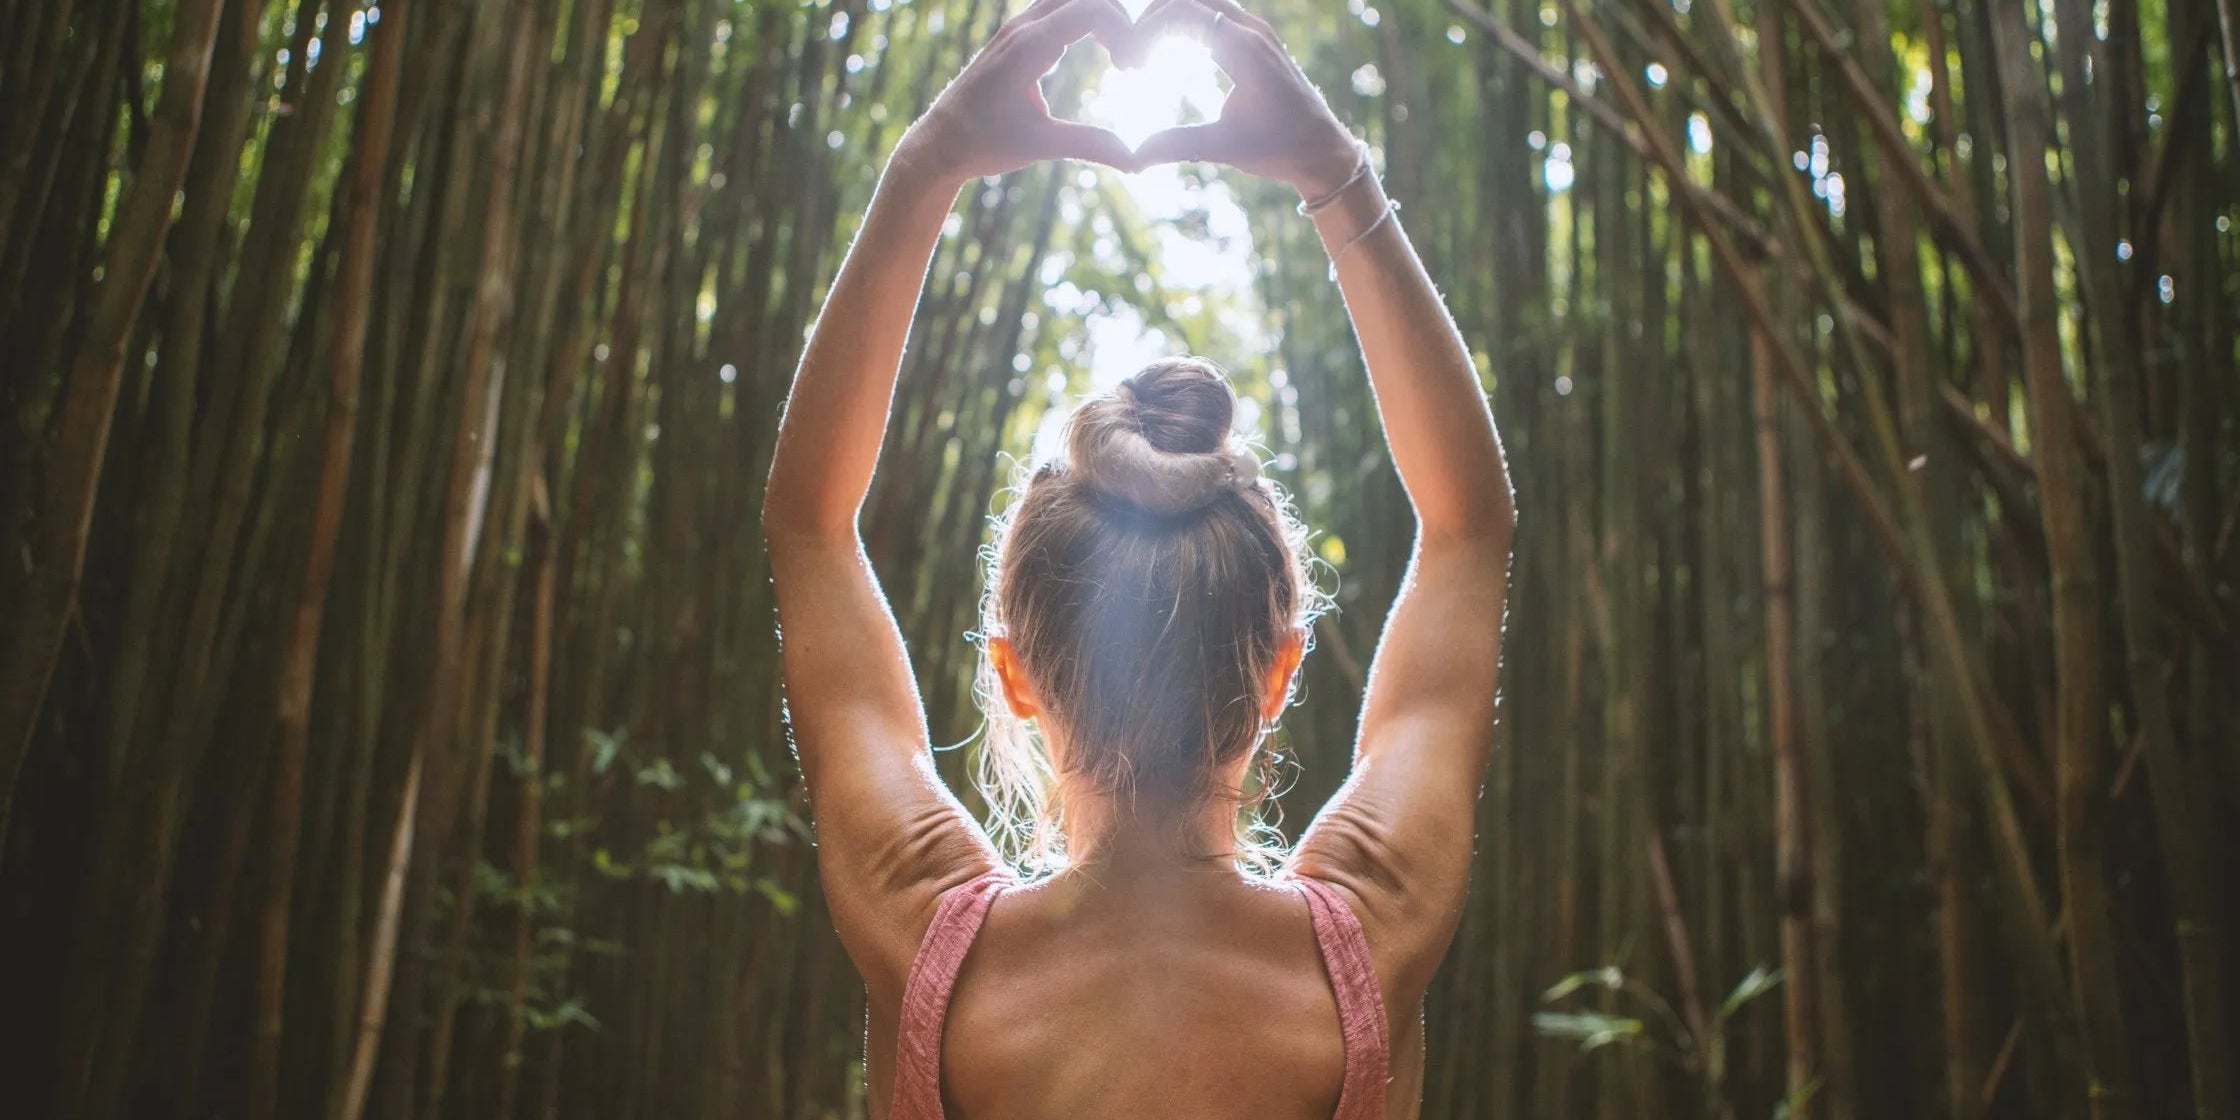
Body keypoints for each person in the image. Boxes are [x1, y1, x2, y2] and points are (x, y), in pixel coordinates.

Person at [762, 0, 1515, 1114]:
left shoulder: (934, 945)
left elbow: (809, 525)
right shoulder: (1362, 944)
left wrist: (926, 168)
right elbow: (1466, 527)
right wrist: (1331, 172)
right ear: (1279, 666)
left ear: (1015, 675)